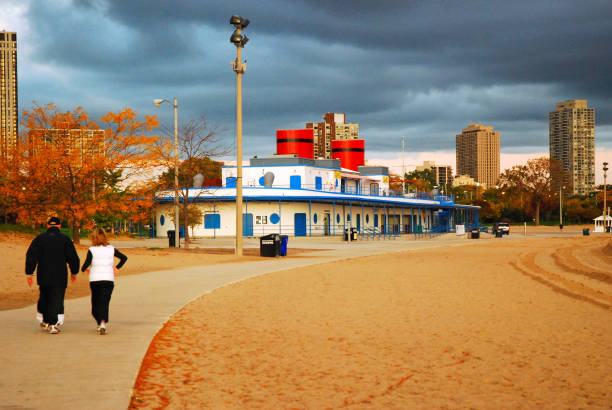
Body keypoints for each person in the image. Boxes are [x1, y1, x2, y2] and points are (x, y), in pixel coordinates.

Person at [26, 217, 80, 334]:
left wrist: (29, 272)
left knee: (45, 296)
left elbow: (31, 255)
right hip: (60, 274)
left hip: (43, 274)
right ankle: (54, 324)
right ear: (60, 226)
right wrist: (74, 271)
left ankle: (45, 320)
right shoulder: (65, 239)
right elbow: (73, 257)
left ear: (47, 225)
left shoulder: (40, 238)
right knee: (57, 298)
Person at [81, 228, 127, 335]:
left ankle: (100, 321)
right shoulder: (111, 249)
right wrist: (117, 267)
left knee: (96, 302)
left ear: (94, 238)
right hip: (108, 279)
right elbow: (124, 258)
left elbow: (86, 264)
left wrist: (85, 269)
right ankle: (102, 322)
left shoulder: (92, 250)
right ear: (105, 237)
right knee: (104, 302)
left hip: (95, 279)